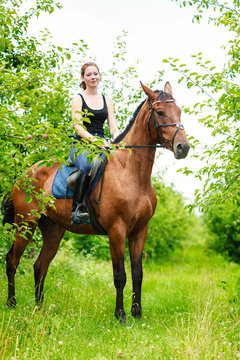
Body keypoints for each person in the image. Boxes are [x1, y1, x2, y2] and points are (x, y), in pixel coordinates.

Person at [69, 62, 120, 225]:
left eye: (95, 74)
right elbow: (78, 126)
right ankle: (76, 210)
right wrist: (95, 140)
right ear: (83, 78)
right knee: (88, 165)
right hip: (81, 144)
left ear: (100, 76)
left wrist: (118, 139)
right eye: (89, 74)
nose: (93, 77)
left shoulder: (107, 99)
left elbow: (113, 126)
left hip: (103, 143)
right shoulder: (78, 98)